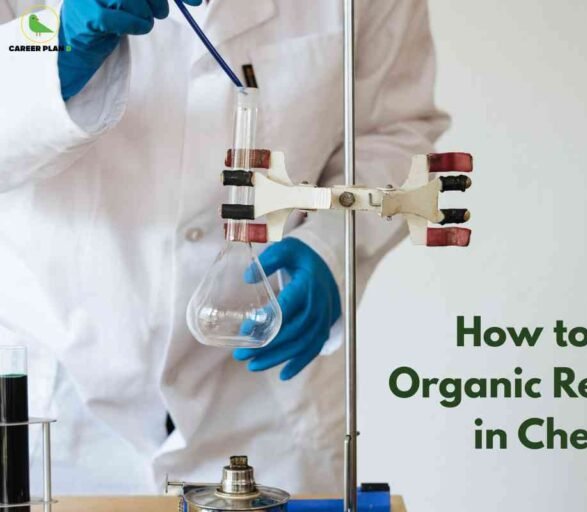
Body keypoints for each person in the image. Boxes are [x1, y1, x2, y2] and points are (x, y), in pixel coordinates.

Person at [0, 0, 448, 496]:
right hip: (57, 401)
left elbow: (393, 130)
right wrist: (54, 44)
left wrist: (333, 245)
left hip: (264, 402)